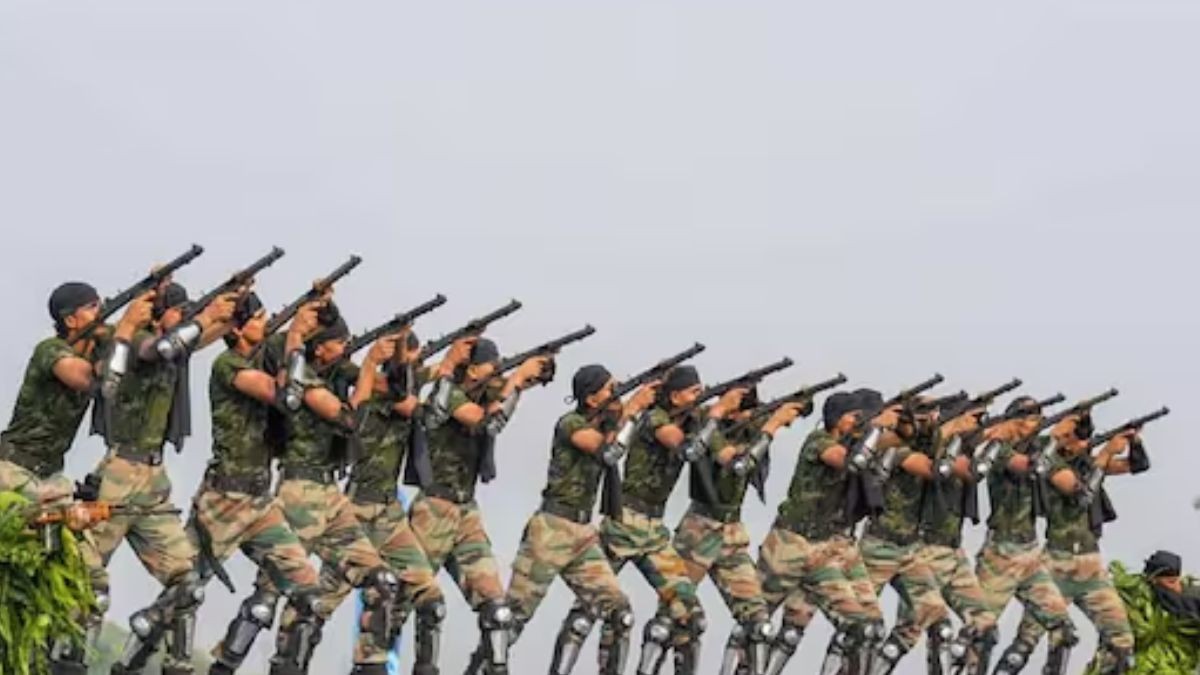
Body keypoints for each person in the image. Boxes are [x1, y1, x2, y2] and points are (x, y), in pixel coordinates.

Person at [92, 280, 239, 675]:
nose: (186, 318)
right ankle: (64, 663)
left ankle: (169, 665)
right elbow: (160, 349)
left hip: (154, 480)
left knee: (188, 584)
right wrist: (206, 317)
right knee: (88, 585)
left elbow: (198, 338)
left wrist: (231, 308)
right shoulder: (138, 341)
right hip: (119, 475)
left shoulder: (174, 347)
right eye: (179, 311)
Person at [0, 281, 148, 674]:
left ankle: (66, 664)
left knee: (92, 584)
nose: (101, 313)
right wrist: (126, 328)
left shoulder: (98, 351)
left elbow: (141, 357)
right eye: (93, 307)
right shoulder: (51, 352)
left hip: (50, 479)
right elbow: (94, 382)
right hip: (13, 474)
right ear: (70, 320)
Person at [193, 292, 326, 675]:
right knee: (183, 593)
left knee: (309, 594)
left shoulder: (265, 357)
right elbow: (281, 395)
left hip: (260, 502)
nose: (265, 324)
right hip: (223, 500)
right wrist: (295, 336)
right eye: (258, 318)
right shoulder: (228, 364)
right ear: (236, 329)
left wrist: (310, 316)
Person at [413, 336, 549, 675]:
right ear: (472, 370)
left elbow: (509, 397)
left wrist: (532, 372)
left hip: (466, 512)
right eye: (492, 366)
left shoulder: (485, 393)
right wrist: (516, 380)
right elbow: (486, 421)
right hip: (434, 509)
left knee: (497, 611)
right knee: (410, 606)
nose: (498, 373)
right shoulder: (448, 394)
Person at [317, 330, 447, 675]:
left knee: (428, 596)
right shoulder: (379, 391)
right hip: (357, 508)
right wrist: (445, 369)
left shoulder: (402, 383)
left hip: (389, 512)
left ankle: (376, 665)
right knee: (318, 603)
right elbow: (417, 402)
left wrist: (454, 363)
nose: (415, 369)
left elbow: (429, 374)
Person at [505, 364, 643, 675]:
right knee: (509, 622)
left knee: (620, 613)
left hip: (582, 534)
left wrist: (631, 412)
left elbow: (613, 439)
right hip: (551, 529)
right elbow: (608, 452)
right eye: (610, 389)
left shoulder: (603, 426)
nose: (617, 394)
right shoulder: (571, 424)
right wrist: (633, 412)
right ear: (592, 399)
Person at [746, 390, 888, 675]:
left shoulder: (855, 445)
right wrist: (876, 430)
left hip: (822, 550)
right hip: (787, 546)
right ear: (837, 418)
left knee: (862, 627)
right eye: (853, 417)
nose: (858, 422)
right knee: (755, 624)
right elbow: (846, 461)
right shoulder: (819, 441)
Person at [671, 385, 804, 675]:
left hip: (732, 534)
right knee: (677, 618)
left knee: (759, 624)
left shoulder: (749, 423)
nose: (747, 413)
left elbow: (799, 411)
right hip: (699, 530)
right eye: (742, 406)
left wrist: (797, 403)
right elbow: (735, 462)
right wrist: (771, 427)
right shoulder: (708, 423)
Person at [1005, 413, 1145, 674]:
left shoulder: (1088, 464)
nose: (1085, 443)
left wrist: (1133, 442)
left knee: (1121, 642)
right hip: (1056, 563)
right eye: (1078, 437)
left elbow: (1137, 465)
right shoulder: (1051, 465)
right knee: (1027, 641)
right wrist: (1105, 454)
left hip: (1090, 564)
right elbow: (1081, 496)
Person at [975, 396, 1074, 675]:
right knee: (981, 634)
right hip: (1000, 553)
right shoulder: (999, 449)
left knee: (1064, 631)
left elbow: (1070, 485)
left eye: (1038, 417)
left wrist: (1064, 440)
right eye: (1030, 417)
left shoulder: (1042, 449)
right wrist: (1052, 440)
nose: (1036, 422)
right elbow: (1025, 465)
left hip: (1030, 553)